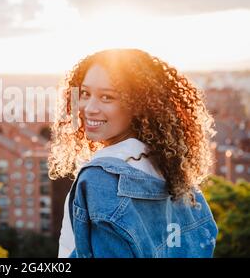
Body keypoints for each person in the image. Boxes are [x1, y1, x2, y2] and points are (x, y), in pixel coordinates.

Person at [48, 49, 218, 258]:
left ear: (138, 105)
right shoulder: (174, 173)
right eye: (85, 93)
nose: (89, 108)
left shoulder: (99, 179)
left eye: (107, 97)